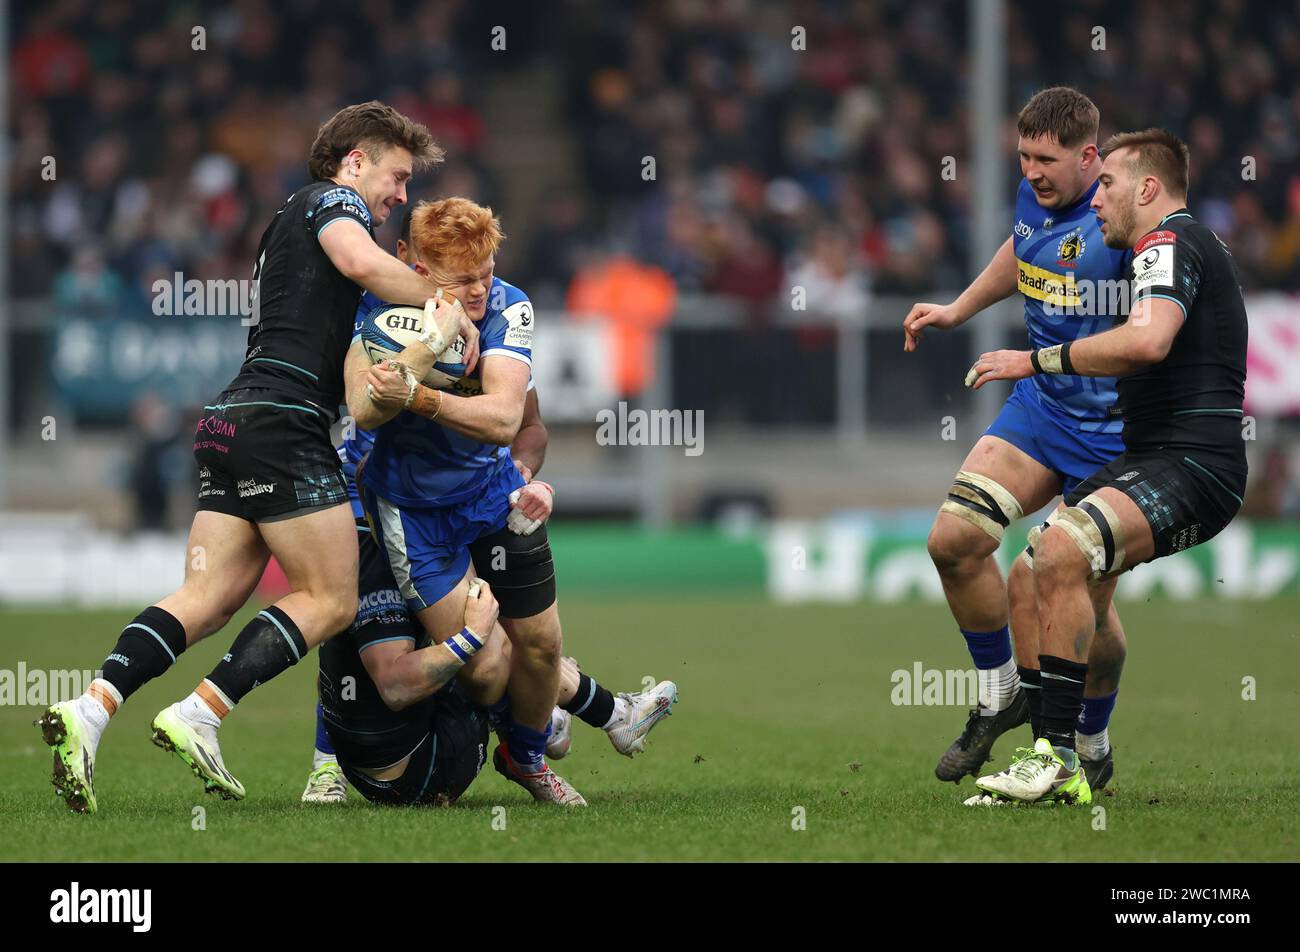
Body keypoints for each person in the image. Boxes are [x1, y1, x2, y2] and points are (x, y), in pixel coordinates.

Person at [38, 101, 477, 815]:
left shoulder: (285, 222)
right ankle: (202, 712)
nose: (402, 197)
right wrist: (448, 304)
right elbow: (359, 262)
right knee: (332, 600)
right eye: (397, 177)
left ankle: (89, 710)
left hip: (230, 418)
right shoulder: (334, 202)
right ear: (354, 161)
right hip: (284, 420)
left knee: (208, 597)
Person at [967, 129, 1248, 804]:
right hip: (1153, 457)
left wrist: (1034, 360)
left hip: (1193, 463)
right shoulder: (1170, 247)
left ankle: (1057, 757)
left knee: (1063, 552)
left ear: (1149, 189)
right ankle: (1079, 755)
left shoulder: (1168, 242)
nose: (1097, 202)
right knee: (1035, 571)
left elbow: (1149, 340)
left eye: (1111, 187)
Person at [903, 87, 1130, 789]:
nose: (1031, 171)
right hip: (1044, 409)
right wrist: (958, 308)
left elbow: (1158, 326)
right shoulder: (1036, 196)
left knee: (1070, 597)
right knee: (954, 540)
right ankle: (1001, 693)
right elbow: (1023, 247)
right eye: (1024, 156)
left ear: (1090, 157)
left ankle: (1088, 742)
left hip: (1118, 435)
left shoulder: (1126, 220)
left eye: (1047, 159)